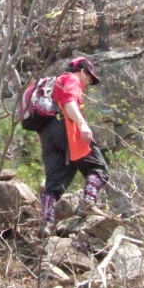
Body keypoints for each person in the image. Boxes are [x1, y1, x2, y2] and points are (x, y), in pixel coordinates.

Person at [37, 57, 110, 237]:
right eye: (89, 79)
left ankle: (46, 222)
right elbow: (69, 102)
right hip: (66, 129)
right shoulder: (70, 79)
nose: (87, 84)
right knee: (98, 167)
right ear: (82, 71)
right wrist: (82, 124)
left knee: (54, 184)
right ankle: (88, 203)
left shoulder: (52, 84)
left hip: (47, 134)